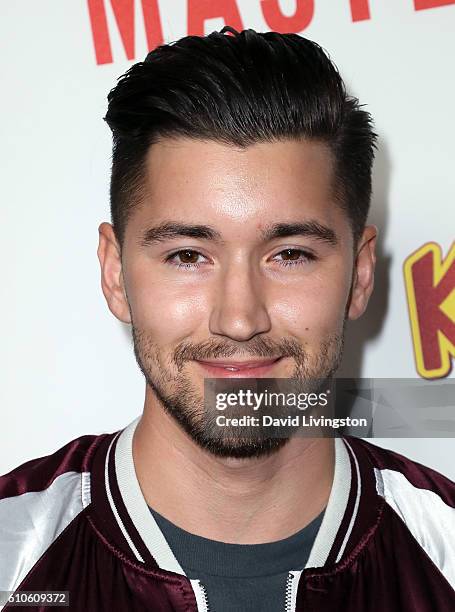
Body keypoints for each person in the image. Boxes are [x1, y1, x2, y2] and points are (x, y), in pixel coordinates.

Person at [0, 27, 454, 612]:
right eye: (188, 256)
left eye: (290, 254)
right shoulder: (15, 551)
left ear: (360, 274)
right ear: (115, 273)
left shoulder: (443, 549)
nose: (240, 320)